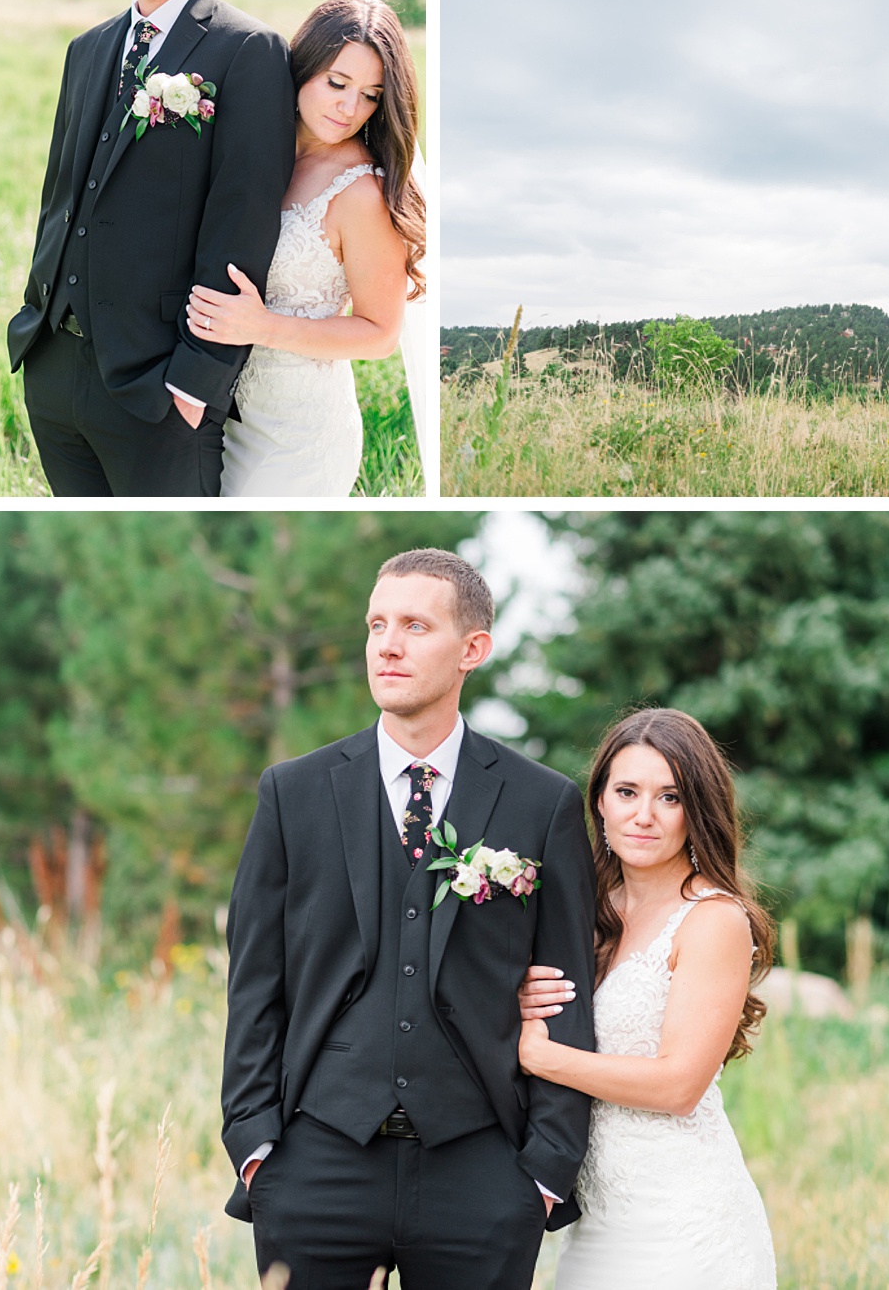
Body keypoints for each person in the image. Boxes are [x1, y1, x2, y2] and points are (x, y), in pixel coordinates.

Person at [221, 549, 598, 1289]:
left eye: (415, 625)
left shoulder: (541, 803)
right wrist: (255, 1143)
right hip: (314, 1164)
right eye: (376, 625)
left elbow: (567, 990)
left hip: (484, 1172)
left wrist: (545, 1169)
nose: (386, 645)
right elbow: (253, 983)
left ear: (473, 649)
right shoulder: (292, 794)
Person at [9, 0, 294, 496]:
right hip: (53, 372)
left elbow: (242, 225)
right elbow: (61, 200)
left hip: (161, 392)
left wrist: (197, 381)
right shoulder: (87, 50)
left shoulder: (247, 50)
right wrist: (35, 325)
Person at [514, 708, 779, 1289]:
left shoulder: (712, 920)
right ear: (600, 801)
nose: (643, 816)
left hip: (682, 1223)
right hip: (597, 1223)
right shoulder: (586, 910)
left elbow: (679, 1085)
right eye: (627, 791)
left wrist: (543, 1056)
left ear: (697, 811)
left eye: (669, 797)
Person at [188, 0, 427, 496]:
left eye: (370, 95)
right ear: (303, 67)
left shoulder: (361, 193)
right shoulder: (254, 144)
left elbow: (380, 333)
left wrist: (263, 326)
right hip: (219, 410)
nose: (349, 107)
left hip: (297, 436)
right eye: (337, 83)